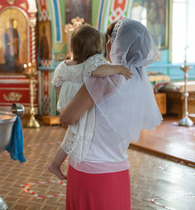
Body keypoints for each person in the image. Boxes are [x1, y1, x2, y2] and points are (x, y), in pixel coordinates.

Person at [60, 17, 162, 209]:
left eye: (111, 39)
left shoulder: (105, 79)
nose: (107, 44)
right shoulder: (140, 80)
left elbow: (67, 117)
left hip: (90, 170)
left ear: (119, 46)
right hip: (119, 170)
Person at [48, 25, 132, 180]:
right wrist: (118, 69)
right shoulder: (92, 63)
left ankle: (55, 164)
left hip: (67, 104)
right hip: (82, 107)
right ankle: (61, 164)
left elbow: (57, 85)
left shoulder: (63, 65)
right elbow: (98, 71)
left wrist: (64, 104)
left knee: (70, 137)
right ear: (95, 47)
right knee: (75, 136)